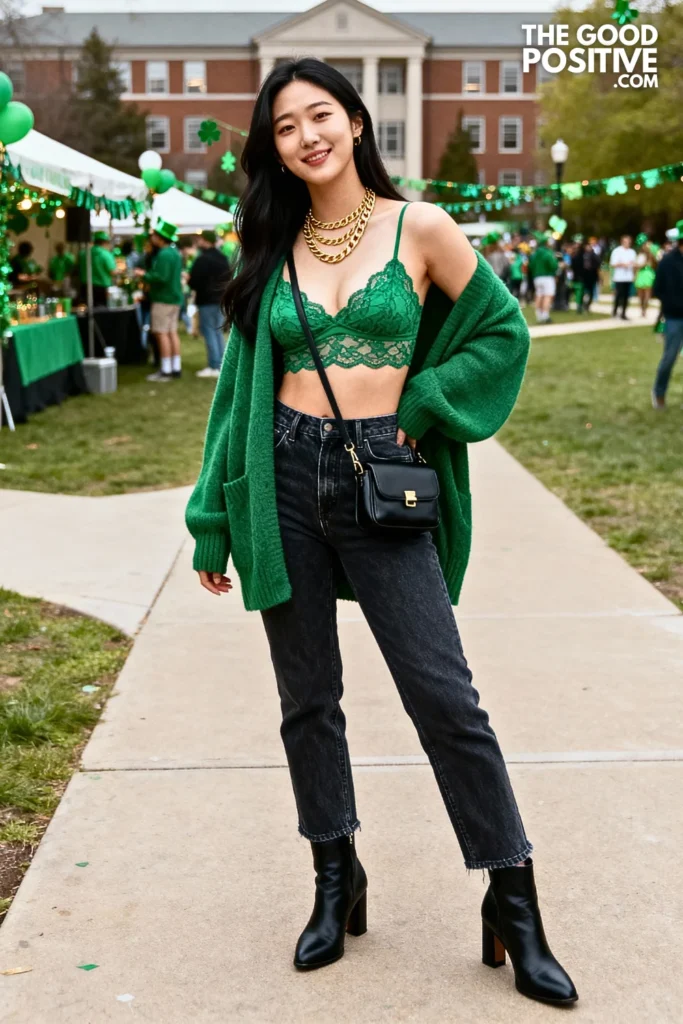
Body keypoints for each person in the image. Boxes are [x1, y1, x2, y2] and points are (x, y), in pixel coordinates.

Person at [184, 57, 578, 1006]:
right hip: (280, 473)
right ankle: (334, 875)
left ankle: (511, 898)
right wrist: (210, 517)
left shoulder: (420, 227)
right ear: (271, 148)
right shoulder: (270, 241)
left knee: (445, 697)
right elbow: (236, 394)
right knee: (306, 698)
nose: (305, 136)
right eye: (284, 127)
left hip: (383, 474)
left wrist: (431, 399)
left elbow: (500, 332)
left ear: (356, 123)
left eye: (320, 115)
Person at [137, 219, 184, 382]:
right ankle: (175, 367)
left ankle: (166, 370)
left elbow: (161, 277)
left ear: (160, 237)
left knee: (161, 333)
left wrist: (143, 275)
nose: (152, 238)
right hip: (174, 298)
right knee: (171, 332)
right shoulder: (175, 252)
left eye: (155, 235)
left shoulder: (164, 254)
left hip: (163, 299)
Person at [188, 229, 231, 377]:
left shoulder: (202, 259)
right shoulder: (223, 258)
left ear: (205, 241)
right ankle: (222, 365)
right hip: (220, 299)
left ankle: (214, 365)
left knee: (210, 332)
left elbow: (194, 281)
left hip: (207, 300)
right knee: (217, 332)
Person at [651, 219, 683, 409]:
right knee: (669, 357)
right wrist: (672, 303)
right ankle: (659, 392)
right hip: (674, 317)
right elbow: (658, 289)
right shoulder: (668, 262)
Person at [78, 231, 117, 306]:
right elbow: (112, 271)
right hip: (101, 289)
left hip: (85, 287)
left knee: (88, 309)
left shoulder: (83, 253)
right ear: (105, 242)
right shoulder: (106, 254)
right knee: (101, 311)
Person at [528, 235, 558, 324]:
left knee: (539, 295)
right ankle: (545, 315)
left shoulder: (535, 253)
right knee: (547, 296)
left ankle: (539, 315)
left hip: (537, 277)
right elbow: (553, 265)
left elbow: (531, 266)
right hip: (547, 276)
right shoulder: (548, 253)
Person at [609, 234, 637, 320]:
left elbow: (634, 264)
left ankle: (623, 313)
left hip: (628, 277)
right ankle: (615, 311)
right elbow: (612, 264)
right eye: (625, 241)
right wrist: (622, 264)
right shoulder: (617, 251)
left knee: (626, 296)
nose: (627, 243)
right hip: (619, 277)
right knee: (618, 295)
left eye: (629, 242)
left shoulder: (632, 252)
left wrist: (634, 272)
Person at [571, 240, 601, 314]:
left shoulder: (594, 255)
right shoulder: (580, 256)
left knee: (590, 292)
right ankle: (580, 306)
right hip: (583, 277)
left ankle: (586, 305)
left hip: (591, 277)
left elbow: (598, 265)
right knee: (581, 292)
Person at [635, 240, 657, 317]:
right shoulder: (640, 256)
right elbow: (636, 266)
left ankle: (645, 309)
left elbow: (655, 266)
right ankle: (642, 308)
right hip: (641, 274)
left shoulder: (652, 256)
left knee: (648, 294)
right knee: (641, 294)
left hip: (649, 275)